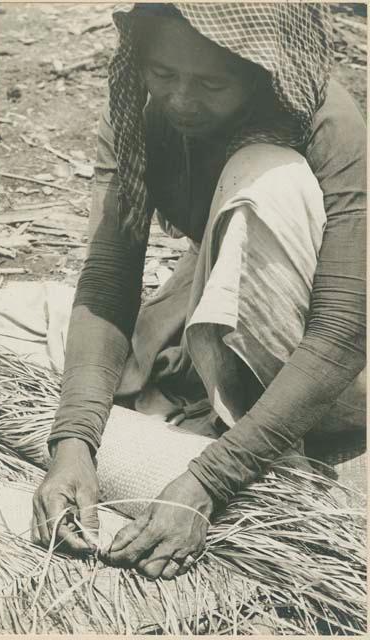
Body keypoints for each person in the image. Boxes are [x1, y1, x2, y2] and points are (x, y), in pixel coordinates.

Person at [32, 3, 366, 580]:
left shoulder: (326, 123)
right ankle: (209, 410)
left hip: (333, 357)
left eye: (211, 82)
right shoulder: (140, 109)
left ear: (263, 72)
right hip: (224, 295)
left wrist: (209, 480)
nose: (181, 100)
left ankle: (260, 451)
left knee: (271, 176)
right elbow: (110, 276)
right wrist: (73, 443)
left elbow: (341, 331)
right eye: (164, 75)